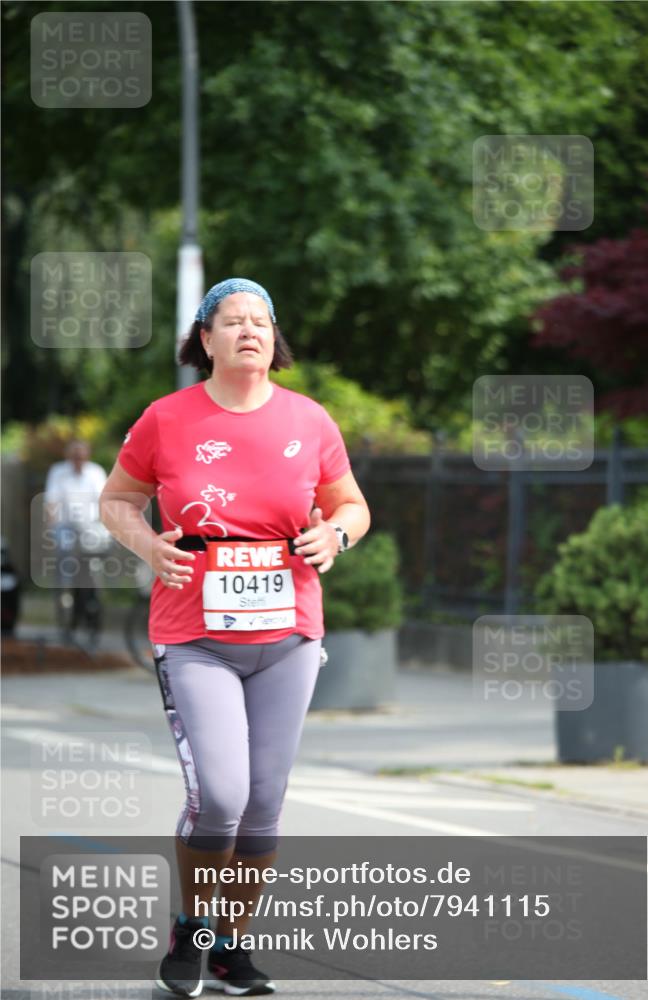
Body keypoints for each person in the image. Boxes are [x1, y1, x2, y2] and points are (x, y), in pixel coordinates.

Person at [99, 277, 371, 997]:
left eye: (261, 321)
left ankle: (229, 949)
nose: (250, 329)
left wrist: (335, 532)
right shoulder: (166, 417)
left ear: (273, 339)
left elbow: (350, 502)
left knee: (263, 800)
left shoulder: (309, 420)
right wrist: (149, 546)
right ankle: (190, 928)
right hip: (194, 634)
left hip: (289, 631)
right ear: (205, 339)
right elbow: (118, 500)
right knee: (219, 796)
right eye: (233, 320)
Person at [44, 439, 109, 630]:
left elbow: (103, 503)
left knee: (94, 569)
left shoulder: (95, 472)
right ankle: (65, 603)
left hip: (90, 528)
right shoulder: (58, 472)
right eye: (74, 457)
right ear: (68, 457)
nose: (78, 461)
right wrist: (51, 529)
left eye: (81, 457)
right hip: (66, 527)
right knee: (65, 564)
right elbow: (51, 503)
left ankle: (93, 606)